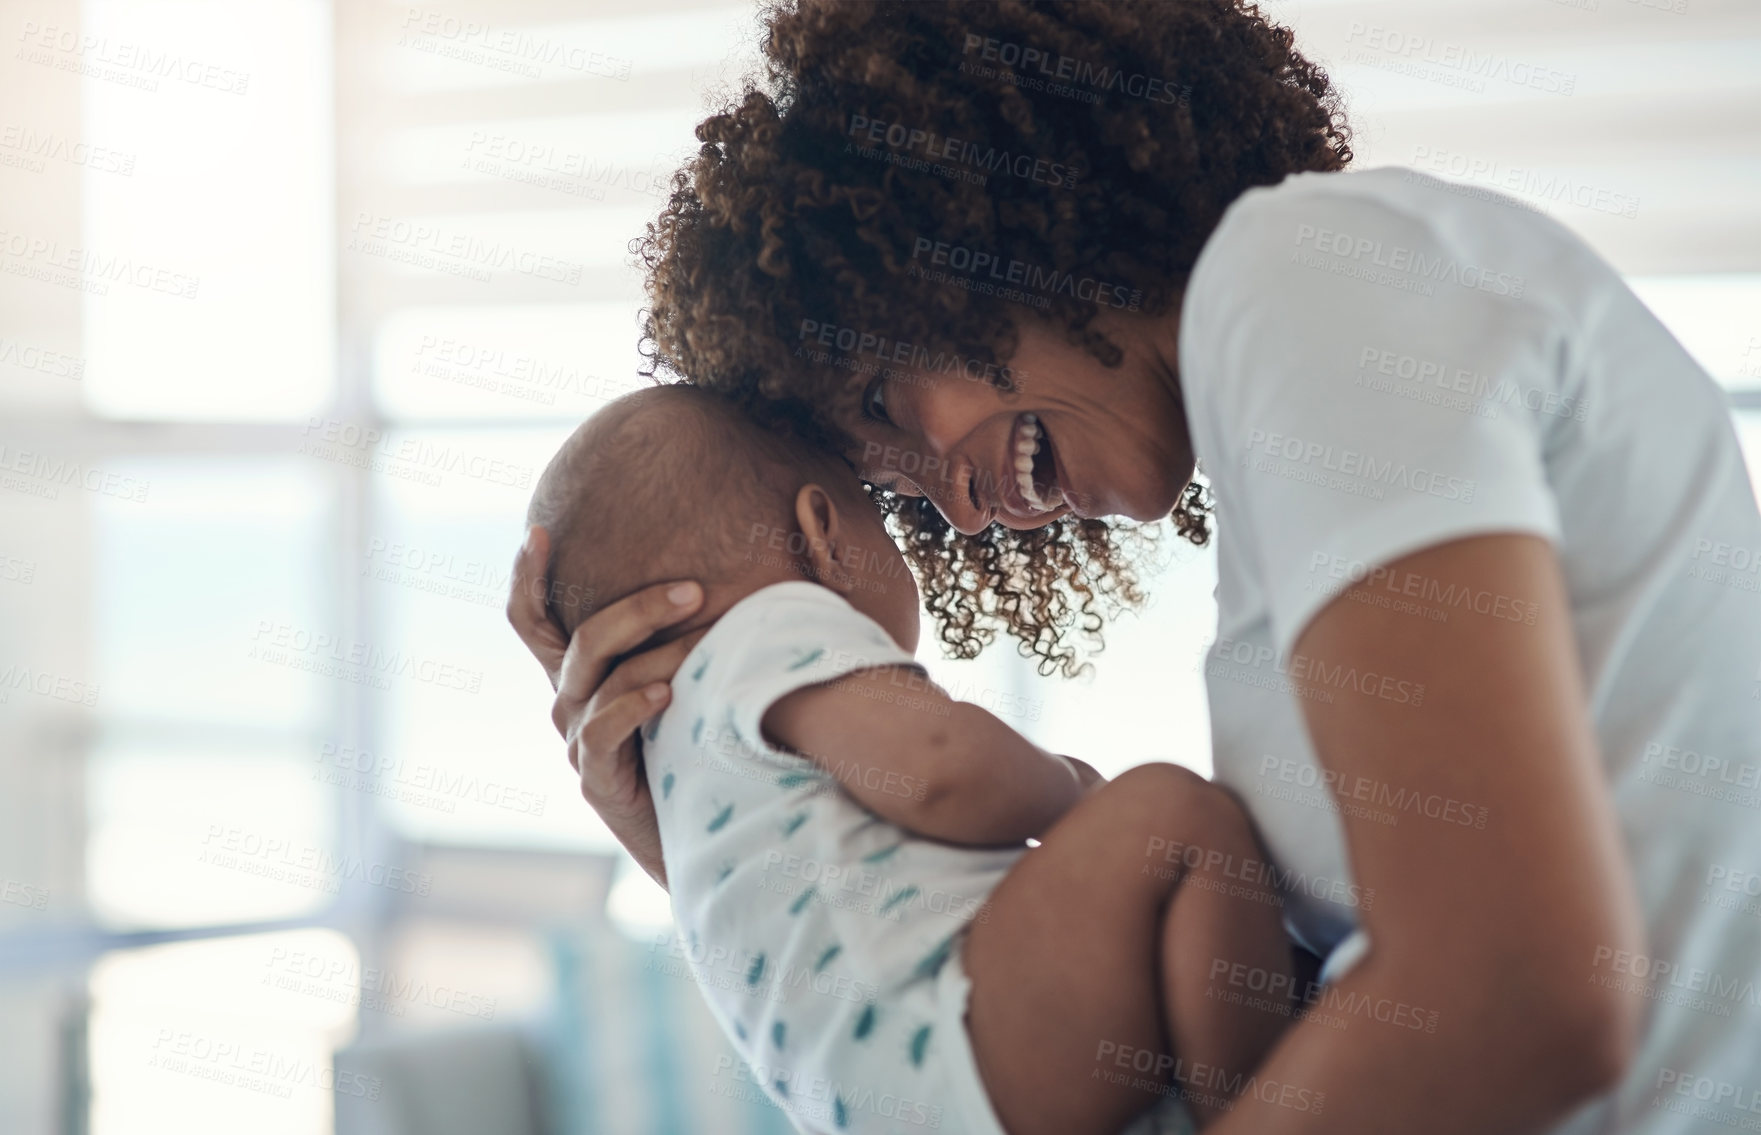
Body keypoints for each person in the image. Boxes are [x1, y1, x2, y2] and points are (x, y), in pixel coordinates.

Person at [509, 3, 1761, 1132]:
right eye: (891, 491)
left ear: (966, 228)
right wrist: (717, 830)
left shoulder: (1308, 271)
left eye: (891, 396)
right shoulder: (1293, 415)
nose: (955, 500)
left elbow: (1515, 991)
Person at [524, 383, 1295, 1134]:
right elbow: (941, 772)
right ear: (821, 531)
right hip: (953, 1036)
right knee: (1175, 817)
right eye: (881, 514)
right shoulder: (768, 628)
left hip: (899, 1096)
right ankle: (1265, 1108)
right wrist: (1073, 789)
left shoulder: (674, 758)